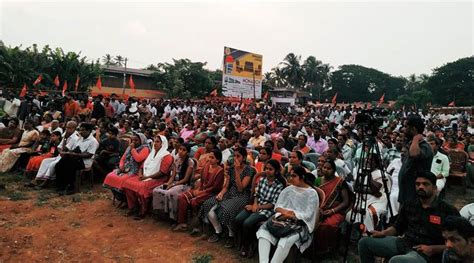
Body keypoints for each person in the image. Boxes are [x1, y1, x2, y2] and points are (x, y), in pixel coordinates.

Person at [358, 171, 459, 263]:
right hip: (405, 243)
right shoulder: (409, 204)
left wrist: (434, 249)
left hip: (426, 253)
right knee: (364, 243)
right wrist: (383, 233)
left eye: (425, 184)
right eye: (418, 184)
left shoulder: (447, 210)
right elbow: (397, 227)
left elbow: (458, 241)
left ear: (434, 188)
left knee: (396, 261)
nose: (421, 187)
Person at [256, 166, 319, 263]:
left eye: (294, 176)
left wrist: (292, 215)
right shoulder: (288, 189)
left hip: (299, 224)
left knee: (285, 241)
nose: (290, 178)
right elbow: (277, 207)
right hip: (281, 220)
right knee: (264, 233)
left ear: (302, 177)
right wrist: (285, 213)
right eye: (290, 175)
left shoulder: (311, 193)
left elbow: (309, 214)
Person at [200, 147, 253, 247]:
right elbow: (227, 186)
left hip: (242, 196)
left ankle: (231, 236)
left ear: (244, 158)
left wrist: (237, 171)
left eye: (238, 156)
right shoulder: (231, 168)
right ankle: (218, 230)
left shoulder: (248, 170)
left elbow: (241, 188)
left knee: (227, 210)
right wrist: (221, 193)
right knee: (208, 204)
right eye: (234, 156)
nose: (235, 158)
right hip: (230, 193)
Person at [234, 159, 285, 258]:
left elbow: (273, 204)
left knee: (247, 223)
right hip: (256, 206)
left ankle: (248, 246)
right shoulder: (262, 180)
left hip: (267, 211)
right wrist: (255, 204)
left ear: (276, 171)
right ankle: (240, 242)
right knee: (238, 219)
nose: (267, 171)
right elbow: (256, 194)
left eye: (270, 169)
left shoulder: (279, 185)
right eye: (266, 168)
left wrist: (258, 207)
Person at [122, 135, 173, 219]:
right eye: (154, 141)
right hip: (145, 176)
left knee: (142, 187)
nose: (155, 144)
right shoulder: (152, 153)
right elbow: (142, 166)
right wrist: (141, 174)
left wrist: (147, 177)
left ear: (162, 143)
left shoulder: (167, 156)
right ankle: (133, 207)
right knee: (127, 183)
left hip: (158, 179)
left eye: (157, 142)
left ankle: (143, 210)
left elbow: (162, 172)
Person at [173, 149, 224, 232]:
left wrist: (201, 192)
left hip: (211, 193)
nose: (209, 159)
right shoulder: (207, 166)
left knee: (194, 201)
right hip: (201, 189)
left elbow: (215, 188)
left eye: (212, 158)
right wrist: (198, 189)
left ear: (217, 160)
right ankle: (182, 223)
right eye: (209, 157)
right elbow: (202, 181)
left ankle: (197, 225)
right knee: (182, 197)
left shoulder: (219, 171)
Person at [103, 132, 150, 206]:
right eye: (133, 140)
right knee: (110, 176)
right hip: (125, 168)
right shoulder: (130, 147)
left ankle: (126, 200)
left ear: (141, 141)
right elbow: (123, 158)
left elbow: (138, 159)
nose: (134, 142)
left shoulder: (145, 148)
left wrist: (133, 149)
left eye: (136, 140)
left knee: (122, 180)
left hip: (136, 171)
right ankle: (121, 198)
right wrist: (121, 166)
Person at [314, 160, 350, 254]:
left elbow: (346, 202)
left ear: (334, 170)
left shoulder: (340, 182)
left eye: (329, 168)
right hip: (319, 209)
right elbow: (314, 198)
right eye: (324, 168)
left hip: (337, 210)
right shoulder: (318, 180)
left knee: (327, 226)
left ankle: (326, 249)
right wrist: (319, 210)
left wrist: (333, 210)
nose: (326, 170)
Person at [346, 155, 389, 233]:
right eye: (367, 159)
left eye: (370, 160)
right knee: (351, 214)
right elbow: (355, 187)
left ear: (376, 163)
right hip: (363, 200)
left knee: (369, 213)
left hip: (377, 201)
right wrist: (360, 175)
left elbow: (376, 191)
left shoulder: (380, 174)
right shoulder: (362, 171)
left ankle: (368, 234)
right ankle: (358, 233)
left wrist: (369, 176)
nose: (367, 161)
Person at [153, 143, 194, 221]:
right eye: (180, 149)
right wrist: (169, 183)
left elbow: (185, 179)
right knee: (156, 190)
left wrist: (173, 184)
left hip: (184, 185)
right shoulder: (176, 159)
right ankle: (160, 214)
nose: (181, 151)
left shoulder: (190, 162)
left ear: (188, 152)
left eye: (184, 150)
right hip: (174, 182)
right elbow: (173, 176)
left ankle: (173, 217)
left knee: (170, 193)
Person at [55, 122, 99, 195]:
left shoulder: (93, 141)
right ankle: (60, 186)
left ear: (89, 131)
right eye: (80, 130)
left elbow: (89, 155)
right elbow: (73, 149)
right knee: (59, 164)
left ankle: (71, 187)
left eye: (83, 130)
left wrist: (74, 154)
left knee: (70, 165)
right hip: (75, 158)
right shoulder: (80, 138)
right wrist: (70, 152)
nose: (81, 132)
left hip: (85, 162)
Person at [398, 115, 433, 205]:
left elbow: (414, 154)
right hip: (406, 193)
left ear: (413, 129)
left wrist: (416, 137)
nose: (404, 129)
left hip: (415, 195)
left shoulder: (424, 146)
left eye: (406, 127)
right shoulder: (412, 144)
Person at [34, 121, 79, 188]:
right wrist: (62, 150)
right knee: (45, 161)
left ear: (74, 128)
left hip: (66, 157)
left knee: (52, 165)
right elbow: (59, 148)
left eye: (69, 128)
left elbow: (65, 148)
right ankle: (38, 180)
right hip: (60, 155)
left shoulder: (74, 138)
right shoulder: (66, 136)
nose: (67, 129)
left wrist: (65, 140)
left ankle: (45, 183)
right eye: (66, 127)